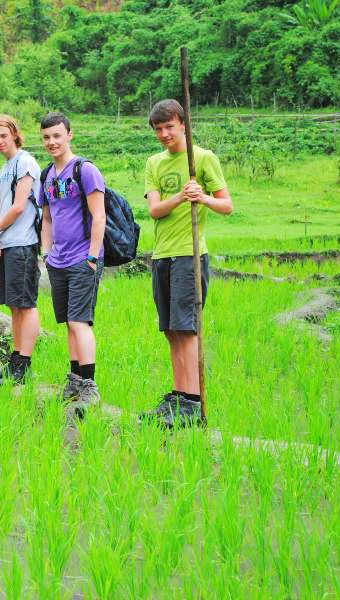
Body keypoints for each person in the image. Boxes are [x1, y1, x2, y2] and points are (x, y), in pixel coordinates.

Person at [140, 99, 233, 428]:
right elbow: (154, 210)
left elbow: (226, 205)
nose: (164, 134)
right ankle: (179, 397)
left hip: (189, 254)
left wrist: (202, 197)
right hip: (161, 254)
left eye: (169, 127)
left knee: (186, 327)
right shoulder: (154, 163)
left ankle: (192, 402)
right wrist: (181, 196)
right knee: (169, 329)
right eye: (158, 129)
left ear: (183, 124)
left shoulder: (203, 158)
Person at [38, 112, 106, 415]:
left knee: (80, 321)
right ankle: (75, 379)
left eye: (57, 135)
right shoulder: (47, 175)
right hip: (58, 260)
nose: (52, 142)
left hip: (83, 258)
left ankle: (90, 386)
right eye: (46, 137)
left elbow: (99, 215)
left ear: (69, 135)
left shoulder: (85, 170)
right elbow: (48, 217)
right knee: (68, 322)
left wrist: (92, 256)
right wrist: (46, 253)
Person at [0, 115, 42, 385]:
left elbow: (19, 206)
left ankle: (24, 362)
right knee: (13, 305)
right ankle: (16, 359)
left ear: (14, 134)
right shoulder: (6, 167)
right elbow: (0, 206)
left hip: (23, 242)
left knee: (25, 305)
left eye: (3, 136)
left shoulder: (25, 161)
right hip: (7, 243)